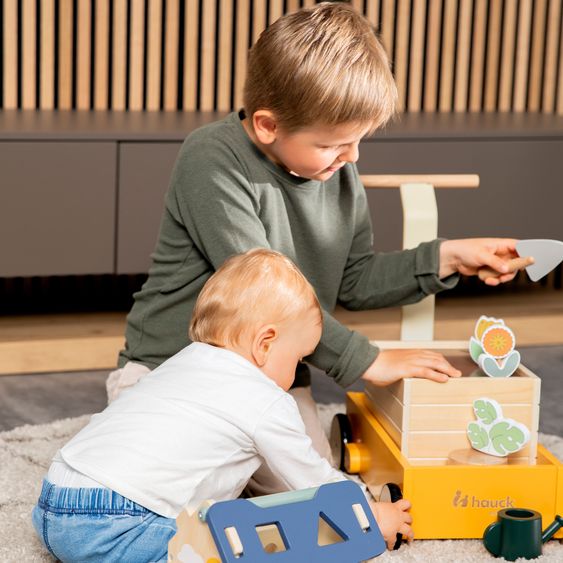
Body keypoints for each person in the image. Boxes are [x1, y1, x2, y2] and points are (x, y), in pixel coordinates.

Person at [107, 2, 530, 490]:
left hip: (275, 374)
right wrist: (366, 360)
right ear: (268, 125)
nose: (351, 157)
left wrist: (448, 257)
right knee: (161, 492)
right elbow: (265, 298)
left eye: (358, 141)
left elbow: (354, 279)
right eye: (333, 145)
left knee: (313, 495)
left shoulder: (339, 170)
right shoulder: (211, 159)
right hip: (173, 367)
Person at [32, 249, 413, 562]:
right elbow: (315, 481)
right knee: (226, 545)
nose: (296, 370)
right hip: (116, 523)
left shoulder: (182, 361)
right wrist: (371, 516)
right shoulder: (265, 400)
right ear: (265, 344)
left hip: (53, 501)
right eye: (298, 358)